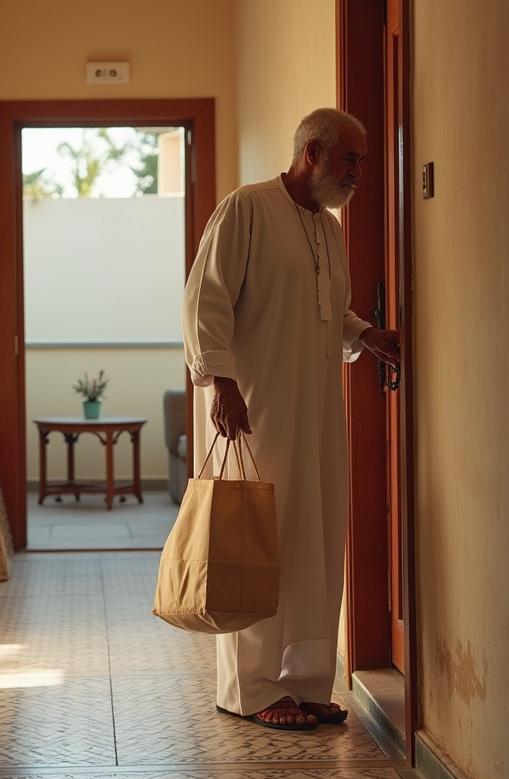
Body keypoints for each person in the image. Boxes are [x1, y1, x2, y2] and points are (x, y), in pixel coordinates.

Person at [181, 107, 400, 730]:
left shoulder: (329, 229)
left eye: (360, 160)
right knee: (257, 538)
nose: (358, 172)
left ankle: (305, 682)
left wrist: (368, 336)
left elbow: (328, 316)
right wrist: (221, 381)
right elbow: (205, 299)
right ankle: (250, 688)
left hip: (318, 411)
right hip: (253, 408)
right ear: (311, 152)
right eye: (349, 159)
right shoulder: (246, 209)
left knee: (317, 535)